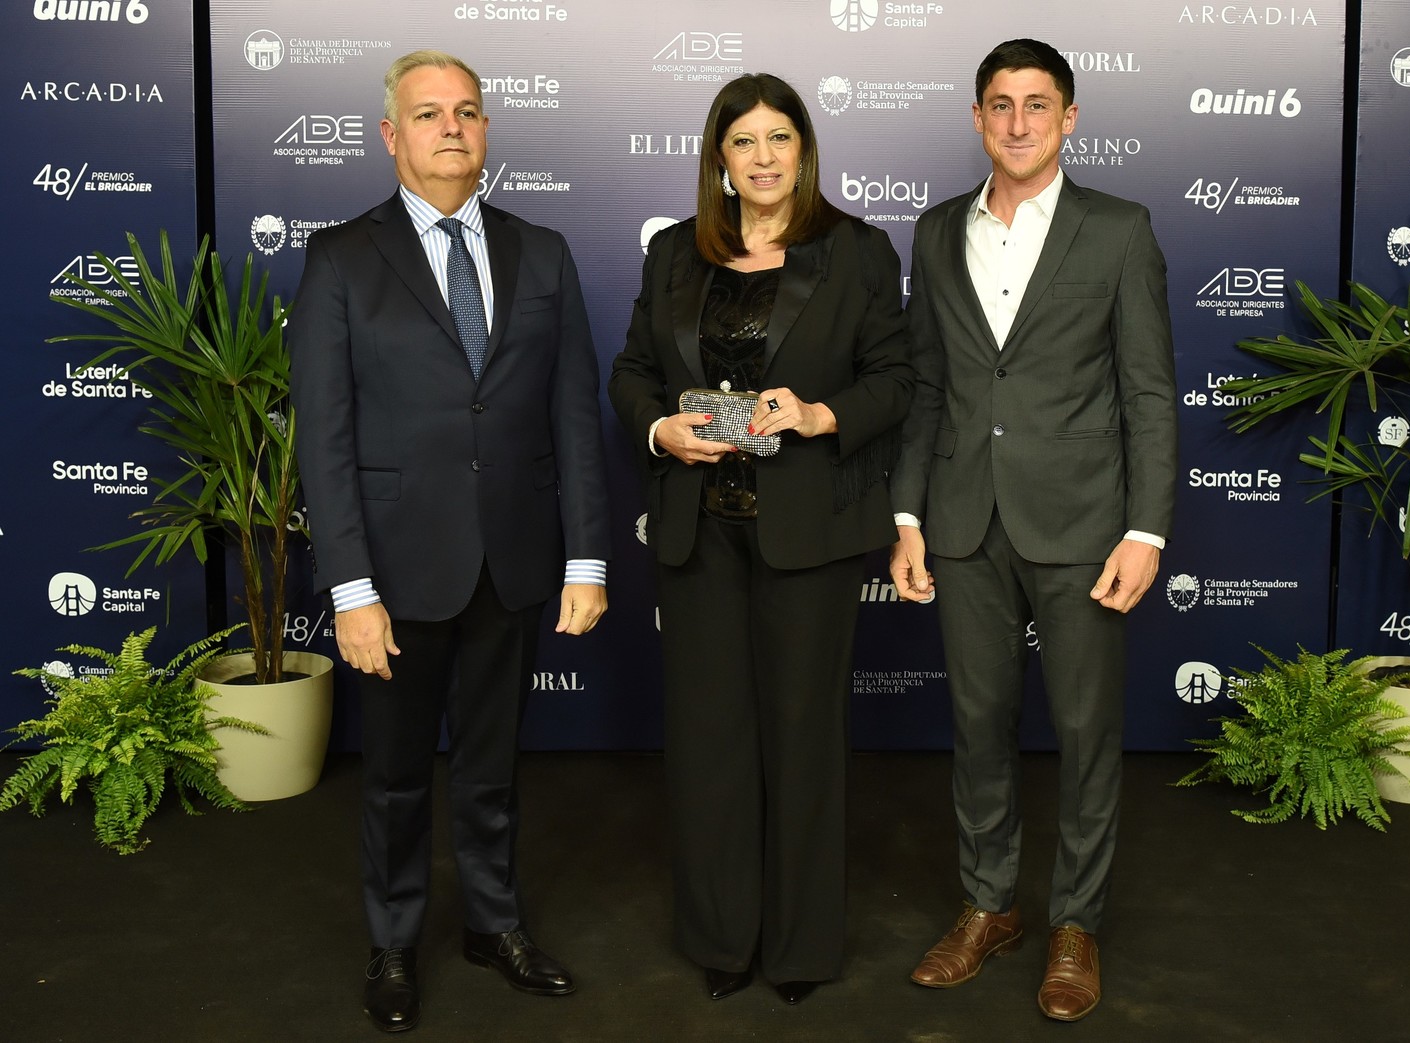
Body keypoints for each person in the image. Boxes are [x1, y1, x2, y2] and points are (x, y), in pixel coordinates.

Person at [289, 49, 612, 1033]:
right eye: (427, 114)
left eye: (466, 111)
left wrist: (586, 557)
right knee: (391, 775)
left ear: (485, 131)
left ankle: (493, 924)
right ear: (391, 136)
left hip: (511, 562)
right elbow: (327, 438)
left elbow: (572, 417)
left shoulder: (542, 252)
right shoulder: (342, 258)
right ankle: (392, 941)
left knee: (493, 765)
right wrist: (348, 588)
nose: (450, 128)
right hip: (392, 572)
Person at [889, 39, 1177, 1022]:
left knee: (1087, 732)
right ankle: (988, 905)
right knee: (976, 728)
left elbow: (1146, 391)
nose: (1016, 121)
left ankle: (1074, 923)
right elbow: (927, 387)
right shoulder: (932, 232)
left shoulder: (1118, 230)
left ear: (1068, 118)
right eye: (999, 104)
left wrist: (1145, 529)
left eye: (1036, 104)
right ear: (976, 117)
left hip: (1085, 526)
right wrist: (906, 515)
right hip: (964, 520)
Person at [608, 73, 912, 1006]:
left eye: (781, 137)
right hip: (700, 535)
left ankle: (800, 946)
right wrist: (662, 430)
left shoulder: (856, 251)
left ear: (804, 149)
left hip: (806, 537)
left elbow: (896, 378)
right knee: (708, 743)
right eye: (745, 141)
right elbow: (630, 373)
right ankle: (719, 935)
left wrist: (820, 414)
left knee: (802, 740)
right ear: (720, 160)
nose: (765, 156)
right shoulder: (671, 254)